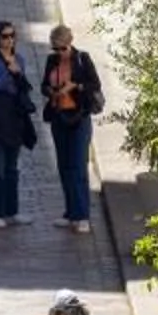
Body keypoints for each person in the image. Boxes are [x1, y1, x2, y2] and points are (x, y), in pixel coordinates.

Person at [39, 26, 106, 234]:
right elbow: (43, 85)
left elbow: (94, 84)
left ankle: (82, 215)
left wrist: (75, 86)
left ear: (70, 42)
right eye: (55, 49)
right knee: (64, 166)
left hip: (79, 118)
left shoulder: (82, 59)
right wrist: (52, 91)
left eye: (62, 48)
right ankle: (70, 213)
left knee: (78, 166)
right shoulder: (52, 61)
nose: (59, 52)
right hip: (59, 116)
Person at [0, 23, 36, 228]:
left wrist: (18, 74)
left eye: (12, 36)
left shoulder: (19, 59)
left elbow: (24, 88)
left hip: (15, 118)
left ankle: (12, 210)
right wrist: (8, 72)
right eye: (5, 36)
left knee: (12, 168)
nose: (9, 40)